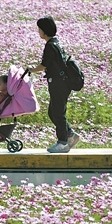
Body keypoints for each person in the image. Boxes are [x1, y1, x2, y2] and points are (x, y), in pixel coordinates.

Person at [27, 16, 80, 153]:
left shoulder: (50, 46)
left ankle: (63, 142)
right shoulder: (56, 43)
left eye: (39, 29)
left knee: (57, 113)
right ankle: (70, 134)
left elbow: (44, 65)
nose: (38, 32)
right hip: (61, 82)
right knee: (53, 112)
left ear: (44, 31)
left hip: (59, 83)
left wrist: (31, 70)